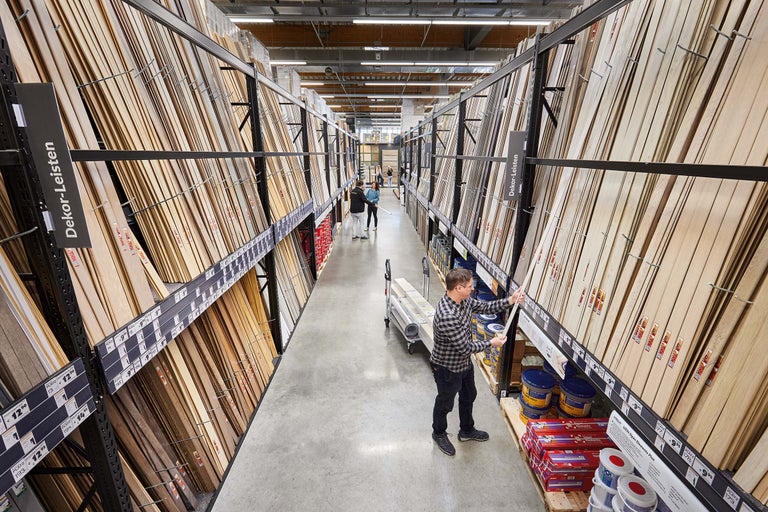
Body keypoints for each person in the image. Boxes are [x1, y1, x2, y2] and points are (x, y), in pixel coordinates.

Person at [430, 268, 525, 456]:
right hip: (447, 368)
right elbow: (465, 347)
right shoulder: (448, 315)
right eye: (470, 286)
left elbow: (483, 307)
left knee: (469, 395)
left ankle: (466, 429)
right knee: (445, 402)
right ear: (458, 288)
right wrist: (492, 342)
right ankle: (438, 432)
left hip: (463, 364)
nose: (472, 289)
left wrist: (510, 300)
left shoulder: (462, 301)